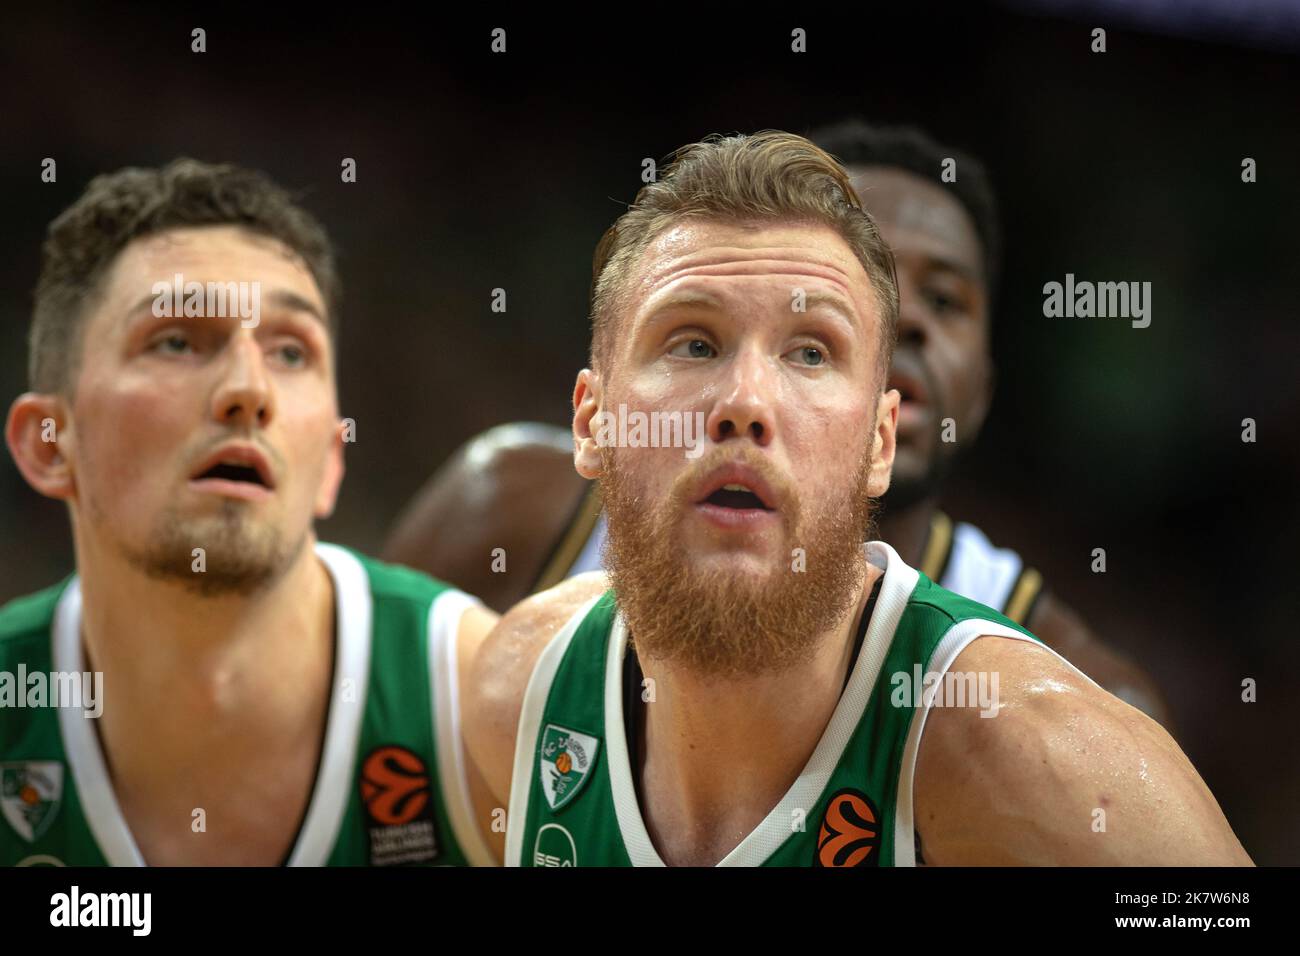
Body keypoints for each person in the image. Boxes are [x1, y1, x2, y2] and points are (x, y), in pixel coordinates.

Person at [461, 131, 1250, 866]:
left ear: (880, 442)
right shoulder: (516, 698)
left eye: (810, 353)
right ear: (593, 421)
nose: (744, 401)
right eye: (693, 342)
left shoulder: (1032, 759)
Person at [382, 121, 1170, 725]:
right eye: (869, 284)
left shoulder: (1063, 690)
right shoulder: (515, 514)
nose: (908, 327)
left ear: (980, 390)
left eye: (945, 300)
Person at [0, 160, 496, 866]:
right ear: (51, 444)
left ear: (330, 459)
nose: (248, 389)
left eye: (290, 351)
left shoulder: (483, 703)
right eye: (176, 340)